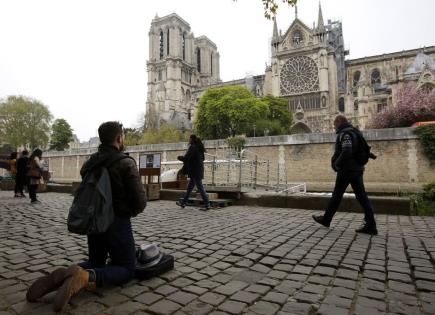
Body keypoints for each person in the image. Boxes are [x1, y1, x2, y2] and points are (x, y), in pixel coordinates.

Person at [26, 121, 146, 312]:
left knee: (96, 261)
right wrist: (127, 212)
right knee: (126, 268)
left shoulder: (90, 163)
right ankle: (84, 278)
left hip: (94, 222)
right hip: (117, 223)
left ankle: (65, 274)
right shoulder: (125, 162)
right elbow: (140, 201)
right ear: (119, 138)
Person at [312, 115, 378, 235]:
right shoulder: (355, 132)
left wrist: (337, 163)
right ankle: (371, 224)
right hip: (357, 169)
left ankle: (326, 219)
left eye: (334, 124)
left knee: (337, 195)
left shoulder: (345, 134)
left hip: (347, 170)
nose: (334, 127)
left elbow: (347, 150)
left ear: (339, 122)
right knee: (361, 196)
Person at [176, 134, 210, 211]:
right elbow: (202, 159)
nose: (189, 140)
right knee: (190, 188)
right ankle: (183, 203)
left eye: (189, 139)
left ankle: (207, 204)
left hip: (195, 171)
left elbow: (187, 158)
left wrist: (179, 157)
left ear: (192, 139)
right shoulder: (199, 148)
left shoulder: (193, 147)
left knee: (200, 187)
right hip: (198, 169)